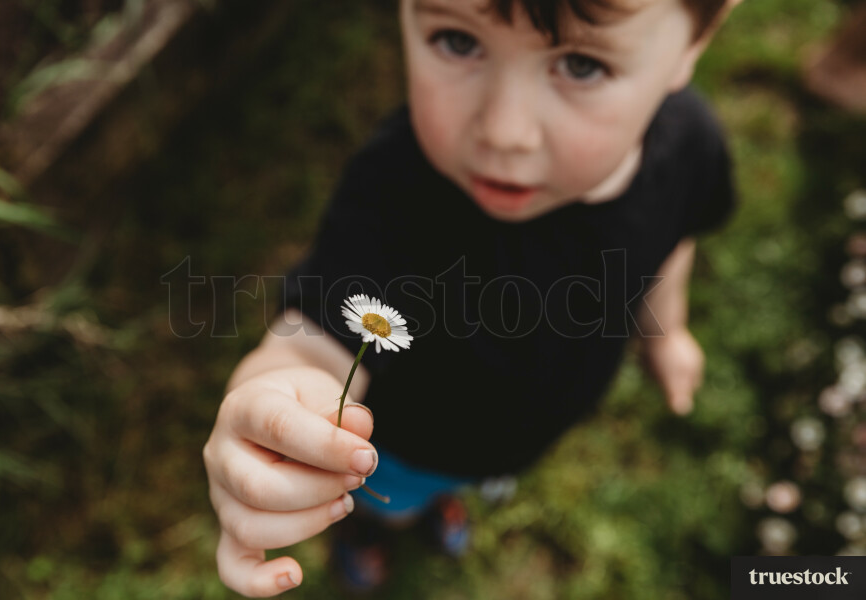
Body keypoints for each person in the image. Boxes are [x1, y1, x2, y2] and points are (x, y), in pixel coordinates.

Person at [203, 0, 742, 596]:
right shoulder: (395, 192)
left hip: (530, 428)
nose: (504, 131)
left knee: (474, 476)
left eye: (583, 65)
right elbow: (314, 346)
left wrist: (670, 329)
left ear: (696, 42)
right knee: (384, 498)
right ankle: (371, 528)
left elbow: (672, 241)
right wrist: (273, 404)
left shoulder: (691, 147)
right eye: (458, 41)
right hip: (404, 446)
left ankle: (450, 497)